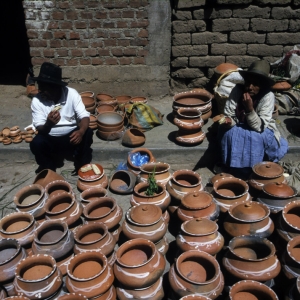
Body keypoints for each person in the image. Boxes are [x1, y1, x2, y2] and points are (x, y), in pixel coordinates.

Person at [217, 60, 288, 178]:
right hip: (239, 125)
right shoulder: (238, 90)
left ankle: (254, 169)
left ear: (262, 85)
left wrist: (249, 109)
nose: (250, 87)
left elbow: (259, 127)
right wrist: (229, 121)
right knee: (228, 133)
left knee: (254, 138)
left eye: (255, 84)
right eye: (248, 82)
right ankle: (233, 166)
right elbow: (230, 113)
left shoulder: (267, 96)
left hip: (260, 128)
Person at [30, 62, 93, 174]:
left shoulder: (71, 94)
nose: (40, 90)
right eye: (39, 86)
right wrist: (49, 124)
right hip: (50, 137)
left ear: (56, 87)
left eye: (44, 88)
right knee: (36, 142)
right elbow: (41, 129)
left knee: (88, 132)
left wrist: (81, 132)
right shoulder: (37, 100)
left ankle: (81, 165)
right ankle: (49, 169)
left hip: (71, 138)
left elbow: (84, 116)